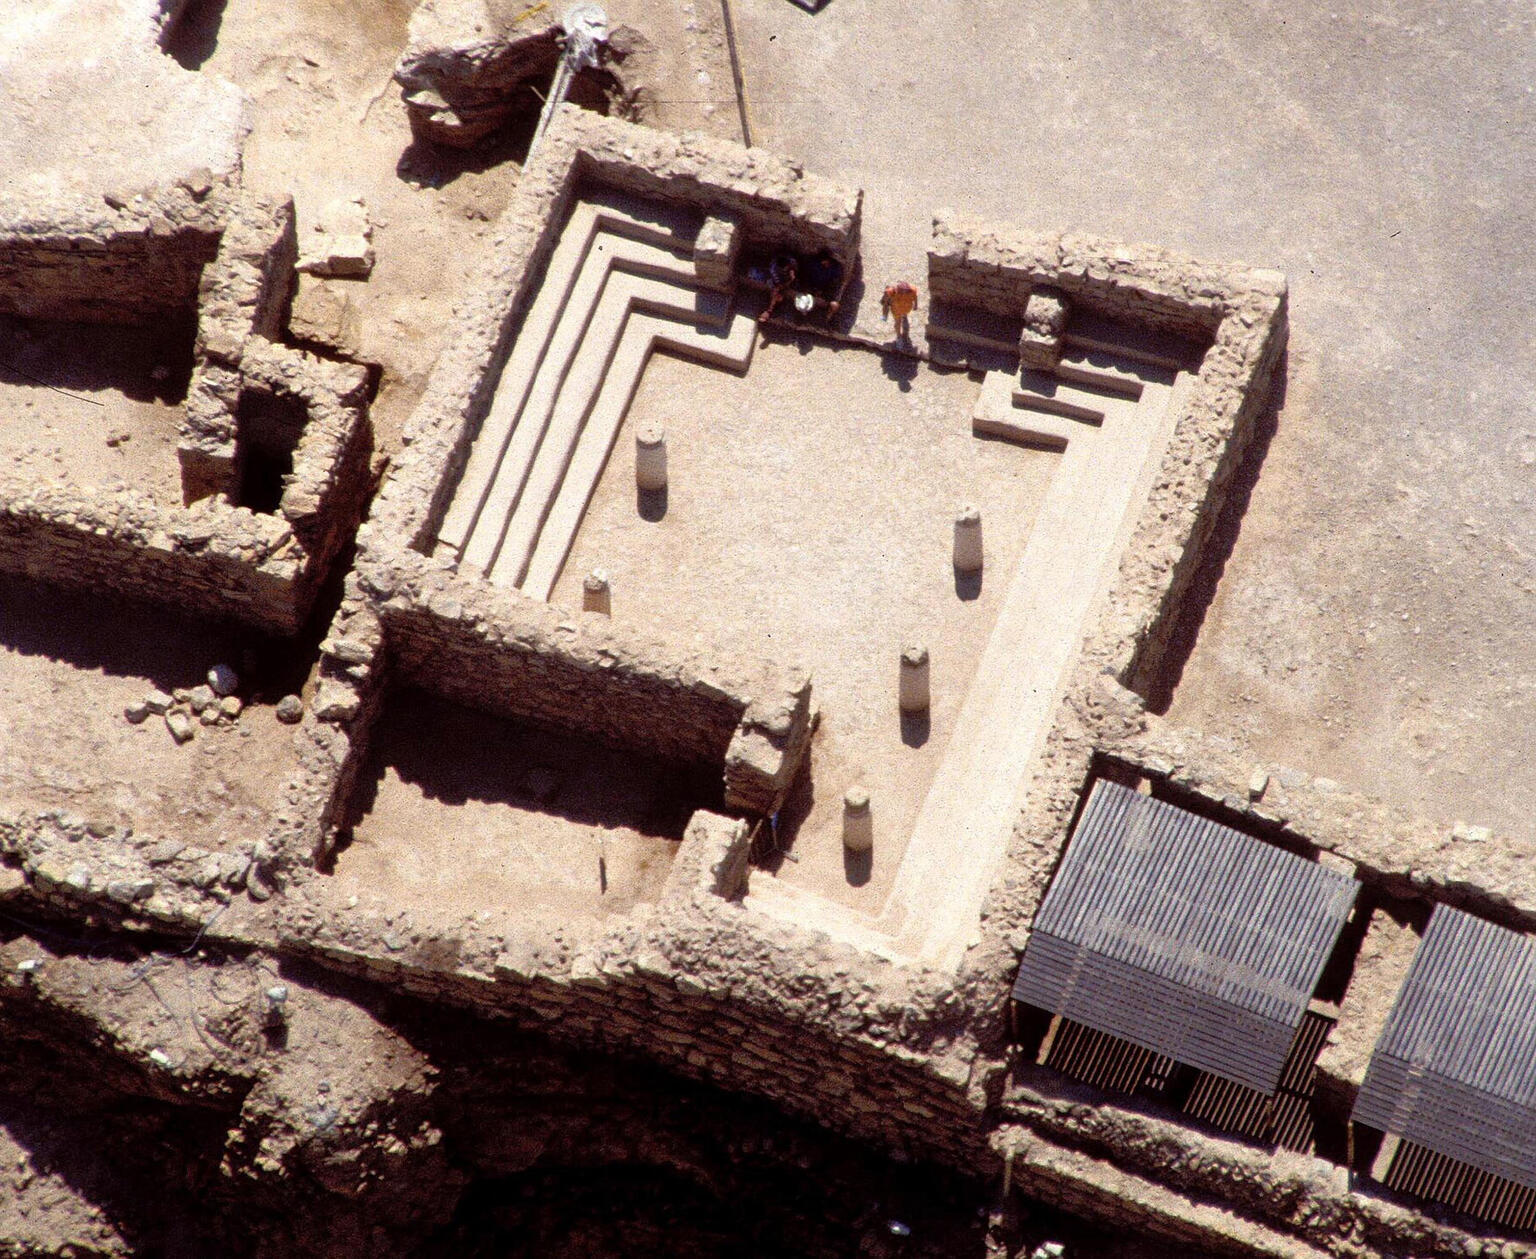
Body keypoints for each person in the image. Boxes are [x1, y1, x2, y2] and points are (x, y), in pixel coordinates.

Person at [759, 252, 798, 323]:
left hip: (779, 284)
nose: (765, 315)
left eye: (763, 316)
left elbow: (775, 290)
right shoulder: (775, 311)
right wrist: (791, 279)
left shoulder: (763, 304)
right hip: (781, 285)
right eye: (765, 317)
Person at [881, 280, 918, 347]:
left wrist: (916, 305)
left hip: (907, 308)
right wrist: (885, 312)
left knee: (904, 315)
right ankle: (898, 337)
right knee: (898, 323)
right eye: (902, 292)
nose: (904, 293)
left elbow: (915, 297)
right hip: (896, 310)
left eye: (905, 292)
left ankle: (904, 316)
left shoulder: (912, 290)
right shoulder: (892, 291)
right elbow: (885, 303)